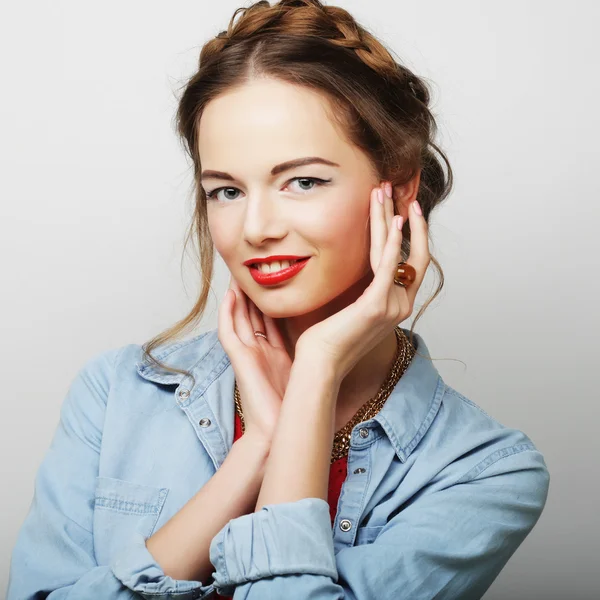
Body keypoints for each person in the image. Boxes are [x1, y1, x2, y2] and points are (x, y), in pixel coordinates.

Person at [6, 1, 550, 598]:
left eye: (304, 181)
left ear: (398, 186)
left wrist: (316, 373)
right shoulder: (115, 396)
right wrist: (255, 451)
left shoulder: (483, 472)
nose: (257, 226)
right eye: (227, 190)